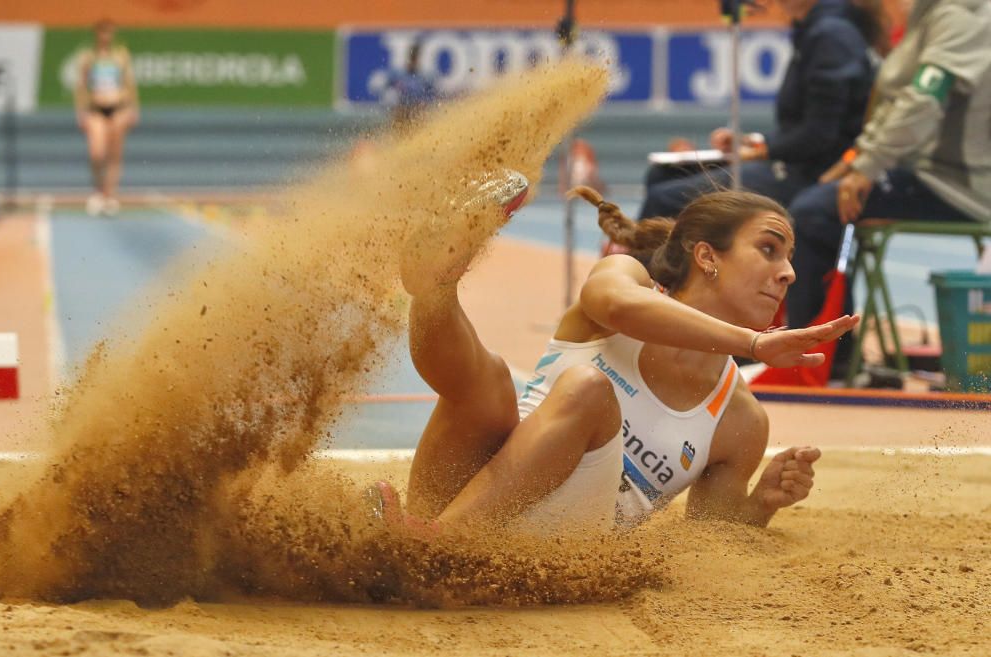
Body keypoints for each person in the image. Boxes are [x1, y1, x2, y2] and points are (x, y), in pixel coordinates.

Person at [374, 170, 858, 535]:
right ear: (707, 256)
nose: (789, 272)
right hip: (469, 494)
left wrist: (763, 504)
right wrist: (753, 344)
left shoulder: (741, 418)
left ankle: (435, 547)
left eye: (790, 258)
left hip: (553, 557)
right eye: (770, 250)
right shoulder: (624, 276)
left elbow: (712, 538)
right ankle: (436, 289)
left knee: (589, 390)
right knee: (492, 383)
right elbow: (616, 306)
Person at [785, 0, 991, 337]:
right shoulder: (929, 14)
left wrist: (867, 167)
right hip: (918, 170)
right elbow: (894, 101)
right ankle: (823, 347)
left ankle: (822, 356)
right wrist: (855, 159)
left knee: (814, 213)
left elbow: (923, 101)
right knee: (810, 197)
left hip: (953, 184)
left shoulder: (961, 17)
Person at [638, 0, 880, 220]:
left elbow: (820, 135)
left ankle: (640, 268)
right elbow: (801, 127)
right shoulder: (813, 31)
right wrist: (754, 142)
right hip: (795, 163)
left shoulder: (831, 35)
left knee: (664, 199)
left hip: (811, 175)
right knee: (663, 174)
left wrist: (760, 152)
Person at [73, 19, 139, 217]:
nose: (106, 37)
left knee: (114, 154)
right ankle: (98, 192)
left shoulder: (120, 56)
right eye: (102, 33)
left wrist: (133, 107)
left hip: (118, 108)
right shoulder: (89, 57)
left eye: (109, 33)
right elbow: (81, 86)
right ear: (97, 34)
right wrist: (81, 111)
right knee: (97, 153)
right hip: (96, 109)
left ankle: (110, 196)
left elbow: (129, 83)